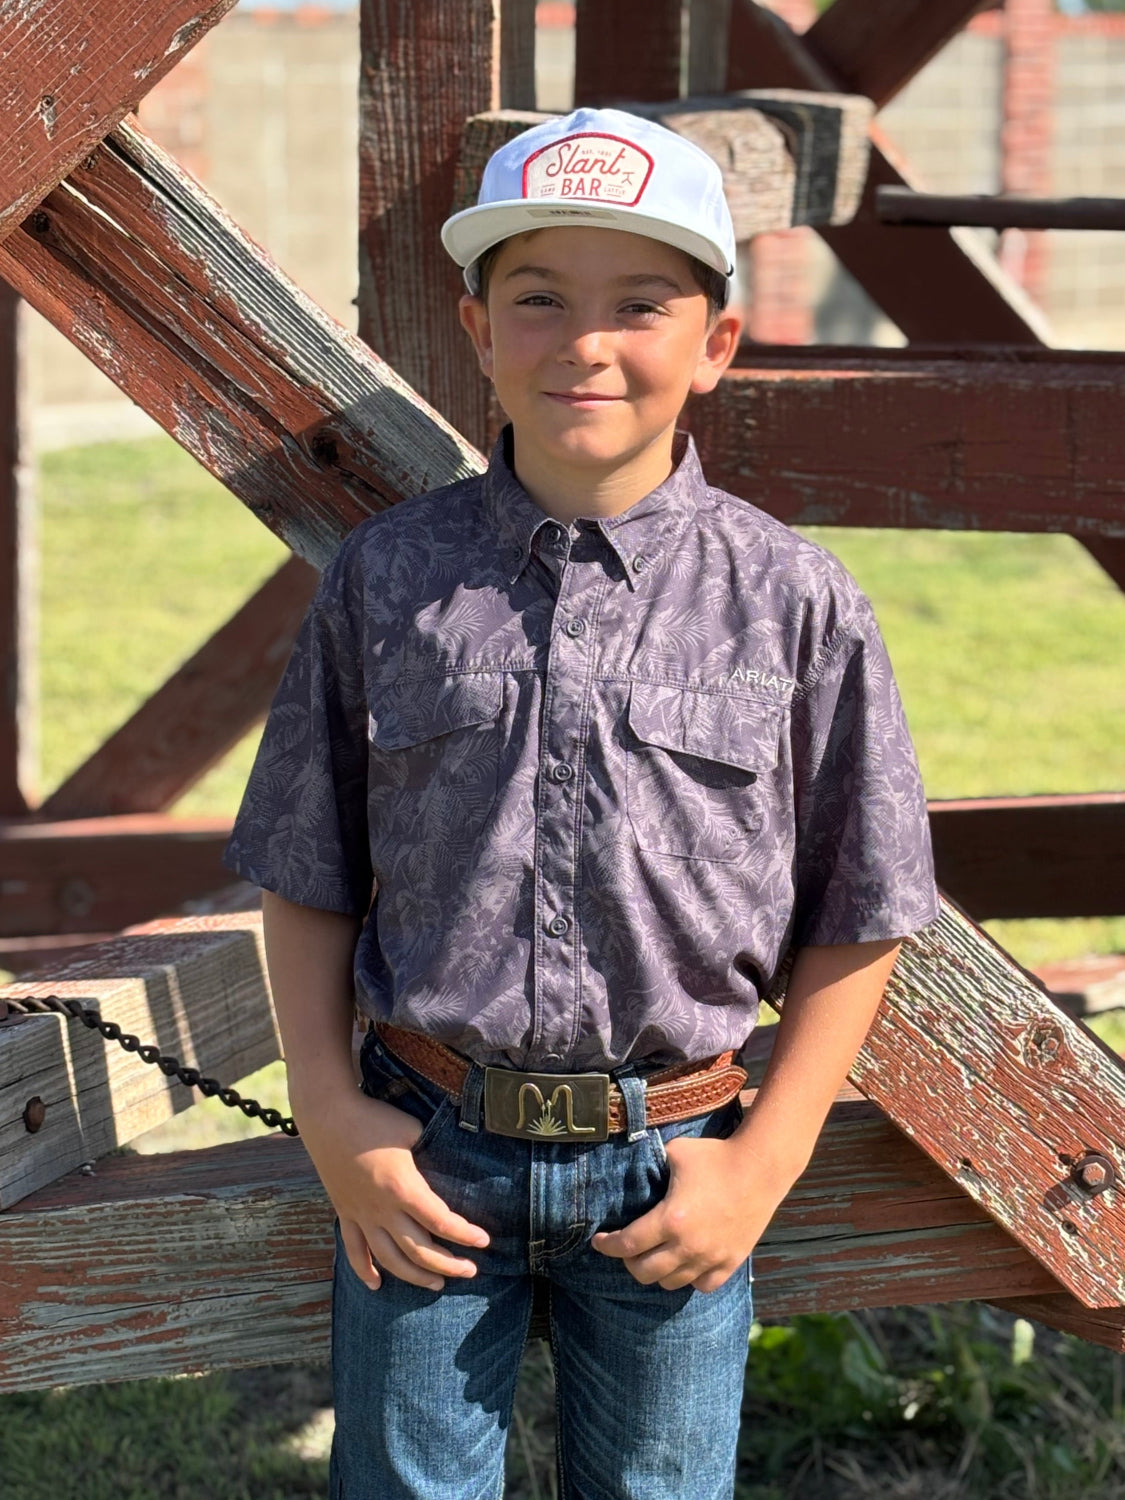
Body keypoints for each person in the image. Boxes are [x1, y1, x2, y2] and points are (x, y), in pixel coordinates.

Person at [222, 106, 941, 1500]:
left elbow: (865, 909)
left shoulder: (795, 603)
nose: (585, 344)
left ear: (716, 343)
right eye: (539, 299)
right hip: (423, 1155)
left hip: (680, 1162)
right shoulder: (387, 580)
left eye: (640, 305)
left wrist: (764, 1163)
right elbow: (304, 868)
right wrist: (328, 1111)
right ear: (478, 331)